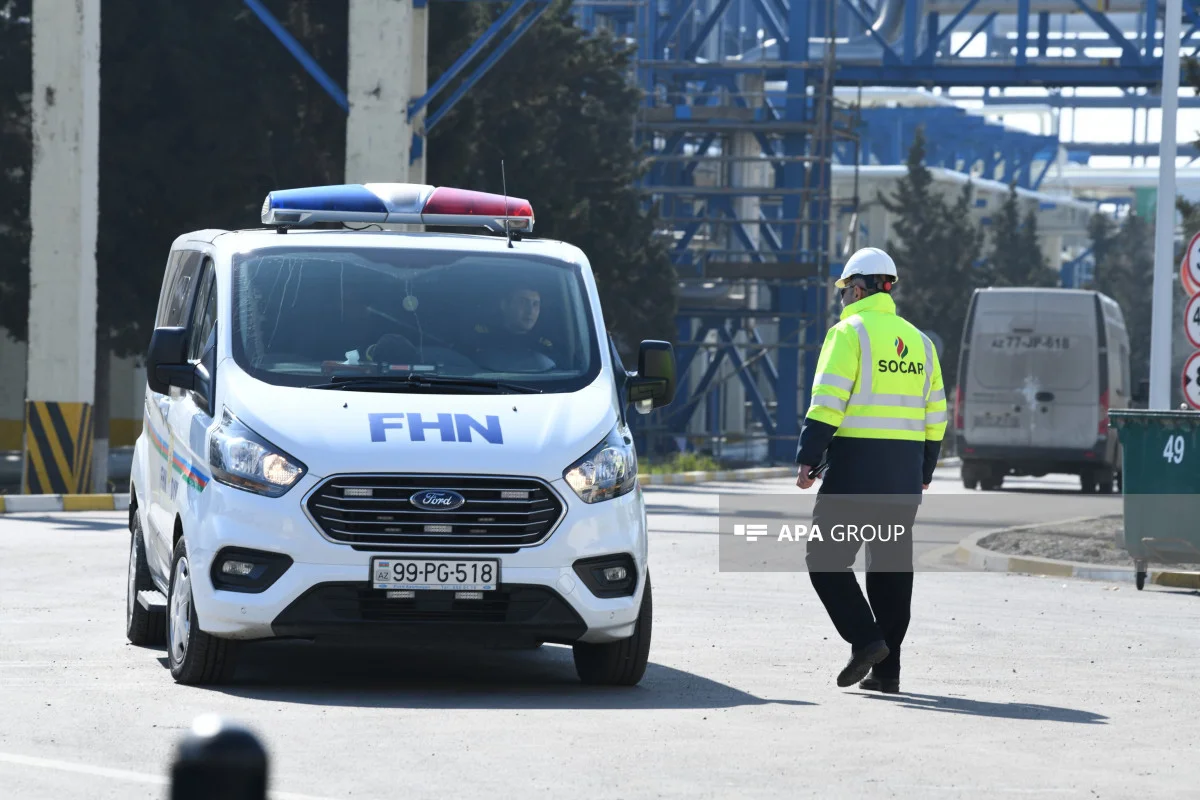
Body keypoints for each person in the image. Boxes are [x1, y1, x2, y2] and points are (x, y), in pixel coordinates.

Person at [794, 247, 947, 693]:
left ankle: (865, 641)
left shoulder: (848, 333)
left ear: (858, 288)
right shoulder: (921, 342)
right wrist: (925, 469)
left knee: (824, 560)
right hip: (902, 477)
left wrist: (809, 458)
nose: (842, 299)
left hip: (855, 471)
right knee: (891, 572)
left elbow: (828, 401)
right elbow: (935, 415)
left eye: (844, 291)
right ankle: (887, 672)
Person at [469, 286, 558, 371]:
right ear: (504, 305)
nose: (530, 311)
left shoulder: (544, 347)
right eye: (522, 302)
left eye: (535, 304)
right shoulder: (481, 338)